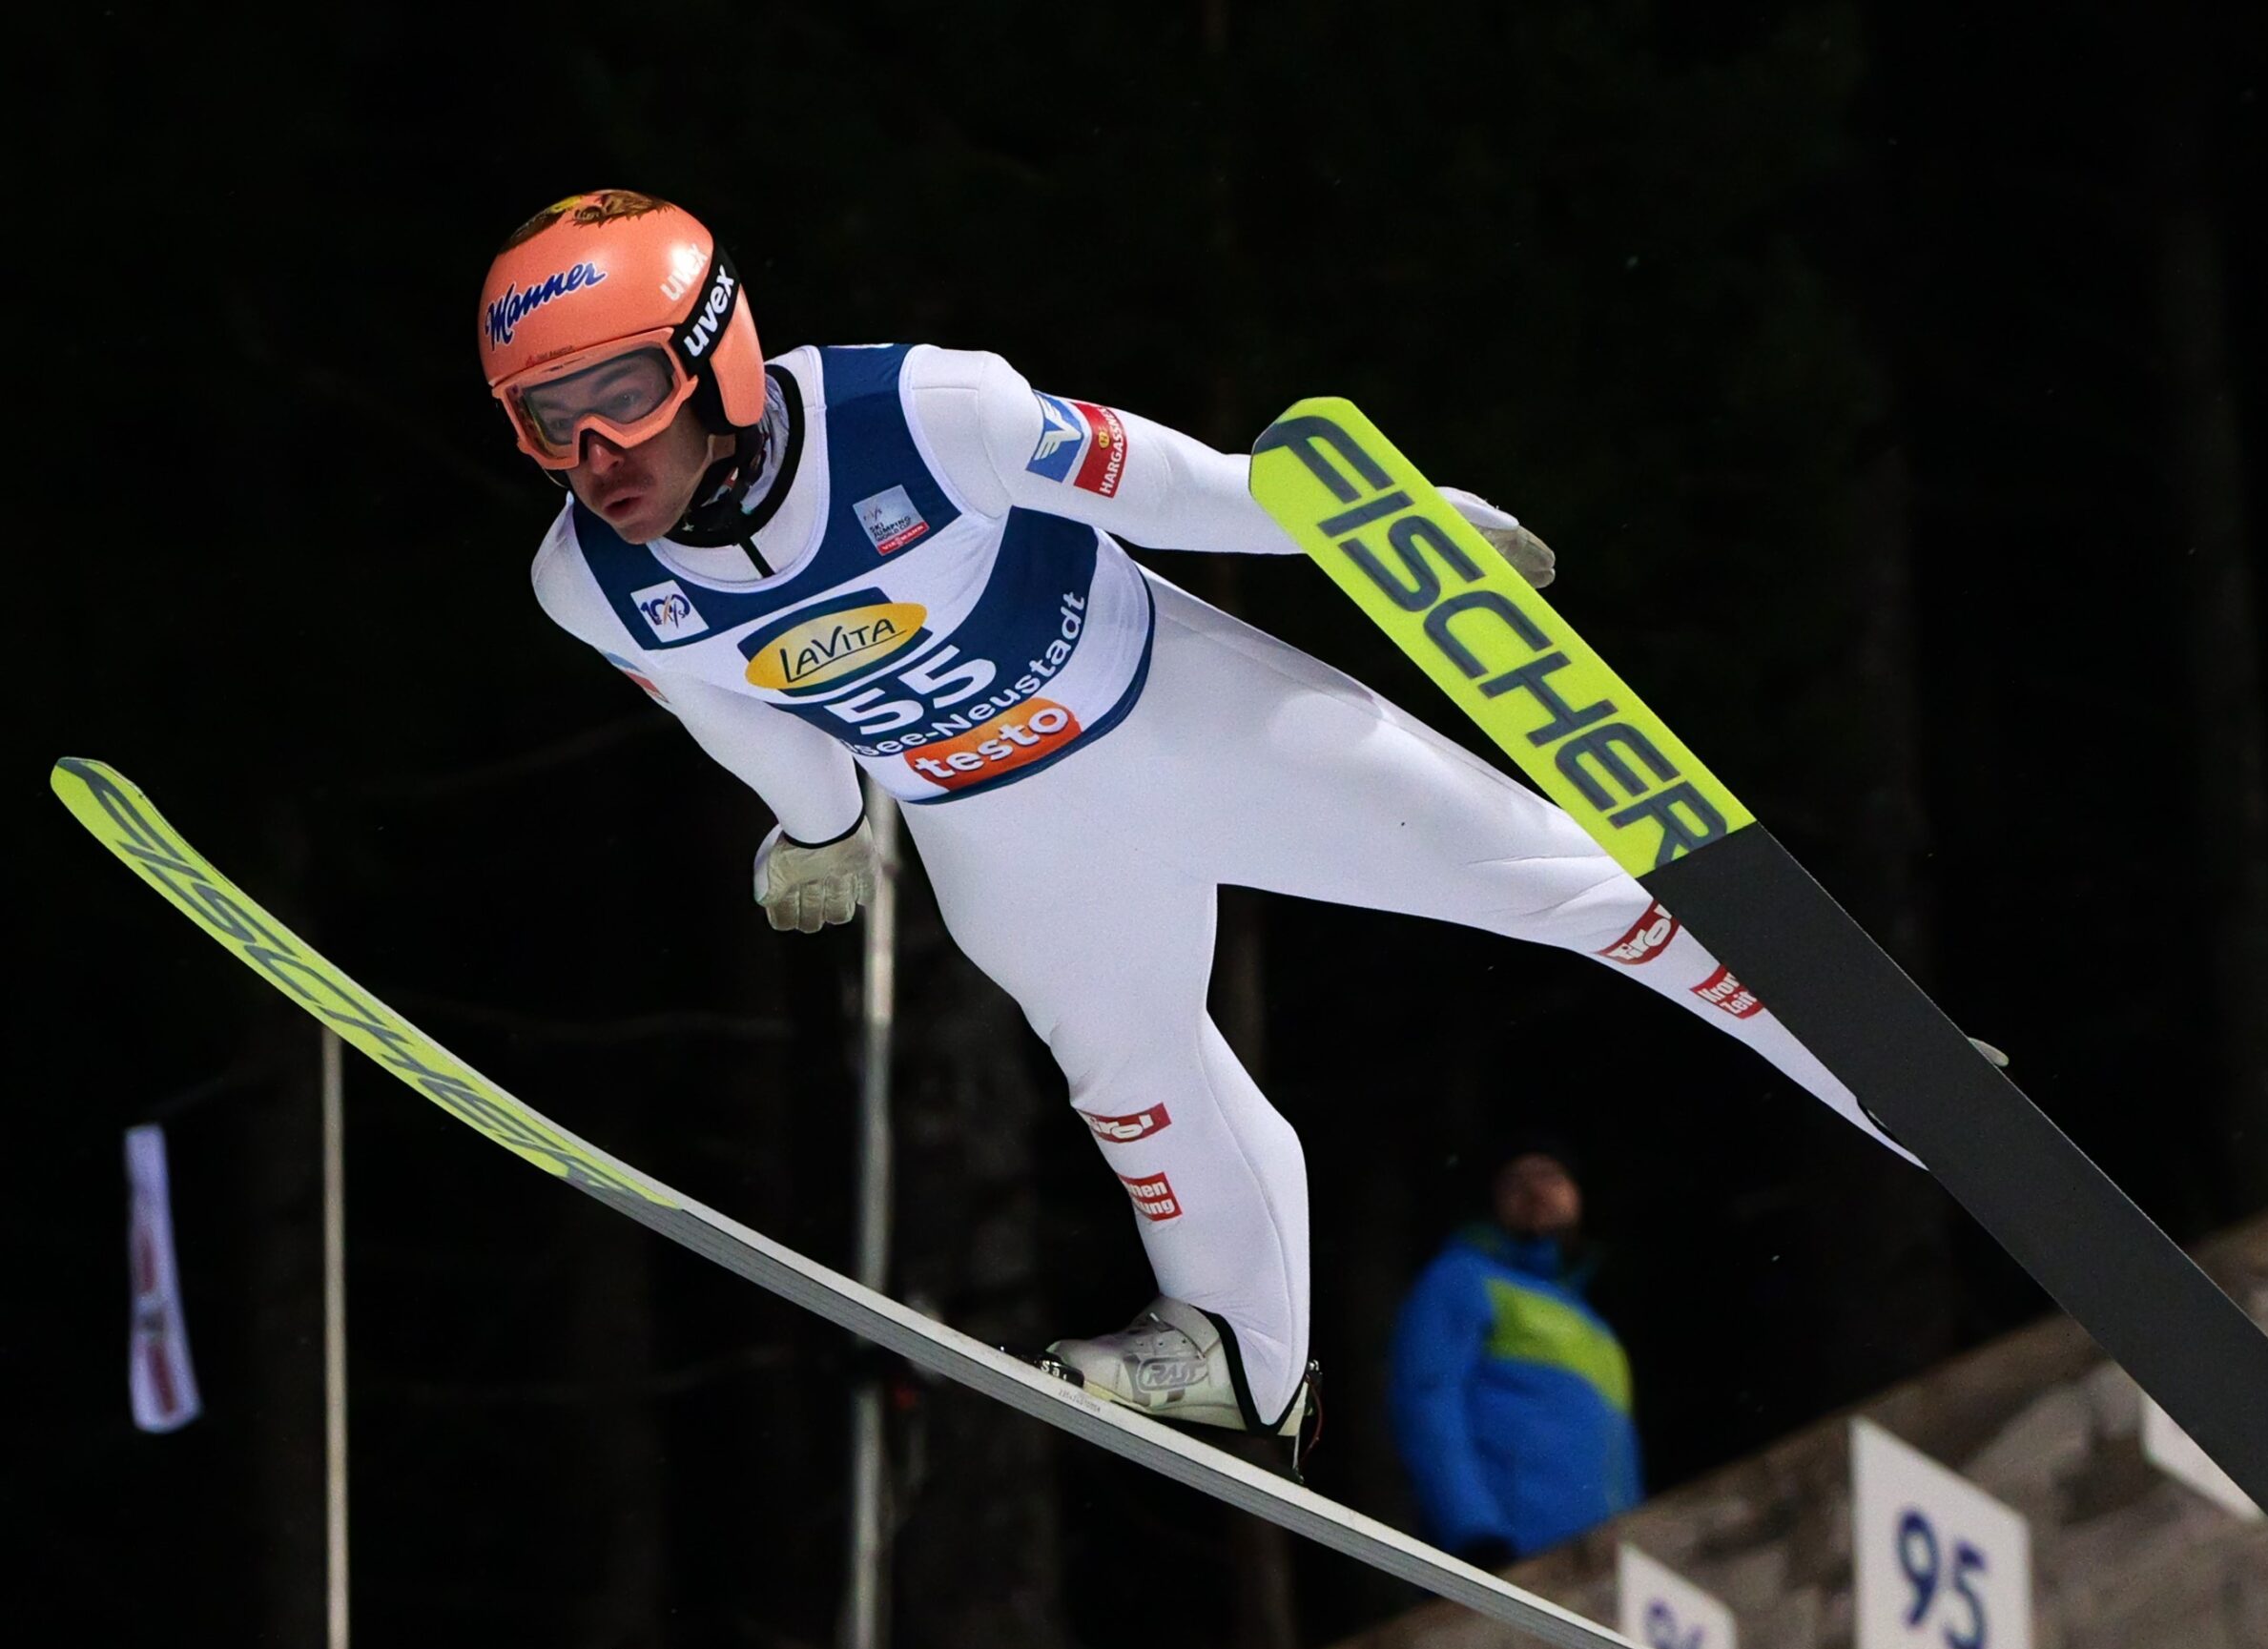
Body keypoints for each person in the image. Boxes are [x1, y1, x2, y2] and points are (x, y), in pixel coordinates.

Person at [476, 190, 1899, 1453]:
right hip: (997, 834)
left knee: (1559, 885)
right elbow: (734, 712)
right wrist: (819, 823)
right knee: (1138, 1079)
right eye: (549, 419)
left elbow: (1189, 490)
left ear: (715, 354)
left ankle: (1877, 1066)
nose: (595, 452)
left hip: (1187, 725)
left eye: (621, 394)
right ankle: (1239, 1351)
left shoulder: (923, 413)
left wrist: (1396, 525)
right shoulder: (588, 582)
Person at [1389, 1145, 1639, 1564]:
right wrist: (1473, 1531)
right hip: (1512, 1557)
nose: (1535, 1190)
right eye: (1516, 1182)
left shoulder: (1599, 1331)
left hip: (1606, 1566)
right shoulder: (1463, 1277)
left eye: (1550, 1176)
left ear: (1579, 1197)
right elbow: (1428, 1401)